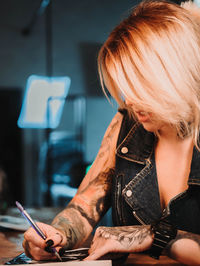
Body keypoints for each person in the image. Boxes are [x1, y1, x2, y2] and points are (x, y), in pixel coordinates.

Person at [23, 0, 200, 264]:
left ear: (173, 75)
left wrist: (152, 235)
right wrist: (57, 233)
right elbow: (83, 208)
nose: (128, 101)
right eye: (124, 87)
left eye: (140, 85)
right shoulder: (126, 125)